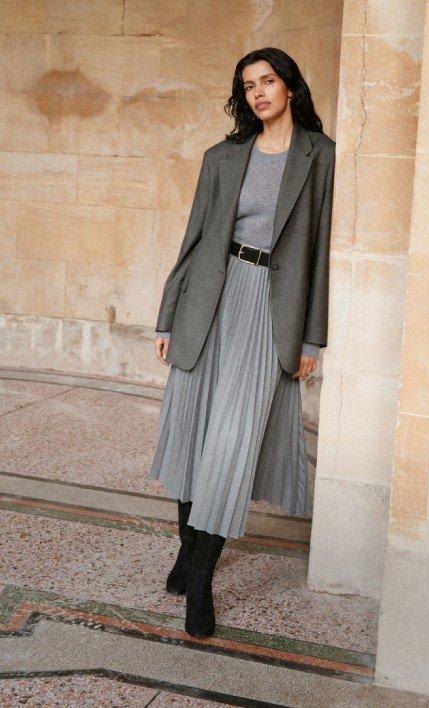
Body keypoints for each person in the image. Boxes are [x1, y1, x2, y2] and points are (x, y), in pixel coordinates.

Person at [149, 47, 336, 639]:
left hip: (269, 309)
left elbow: (321, 254)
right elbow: (194, 238)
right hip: (210, 297)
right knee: (194, 434)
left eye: (268, 81)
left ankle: (200, 580)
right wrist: (168, 317)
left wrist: (312, 338)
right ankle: (187, 552)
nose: (258, 93)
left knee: (230, 444)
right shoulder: (223, 157)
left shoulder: (320, 157)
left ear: (289, 87)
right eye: (248, 85)